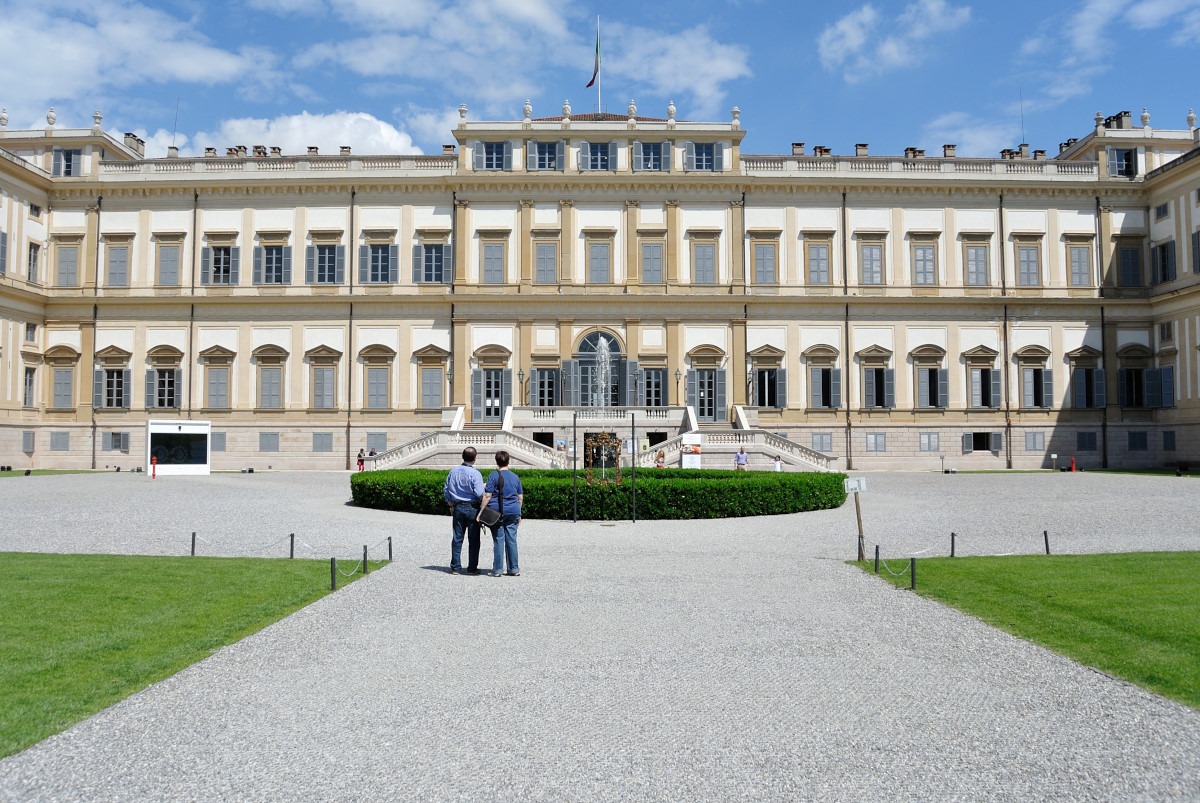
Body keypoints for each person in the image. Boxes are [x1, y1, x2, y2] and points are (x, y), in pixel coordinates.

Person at [478, 450, 523, 577]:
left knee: (499, 540)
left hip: (497, 512)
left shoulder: (493, 475)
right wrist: (519, 513)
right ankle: (514, 569)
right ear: (509, 461)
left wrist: (480, 512)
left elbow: (487, 496)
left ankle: (497, 570)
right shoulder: (515, 477)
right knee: (512, 540)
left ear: (496, 461)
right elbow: (520, 497)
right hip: (513, 511)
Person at [443, 446, 484, 575]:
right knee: (473, 539)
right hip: (472, 507)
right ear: (475, 459)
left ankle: (455, 567)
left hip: (458, 506)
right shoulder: (475, 473)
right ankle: (472, 568)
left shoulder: (453, 471)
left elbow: (446, 489)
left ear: (462, 456)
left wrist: (450, 503)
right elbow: (479, 493)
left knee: (457, 538)